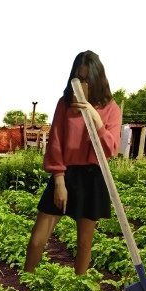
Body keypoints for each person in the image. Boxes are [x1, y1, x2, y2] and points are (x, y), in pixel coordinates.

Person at [23, 50, 122, 275]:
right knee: (37, 239)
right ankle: (25, 283)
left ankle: (78, 289)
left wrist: (96, 119)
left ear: (98, 78)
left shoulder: (111, 109)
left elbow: (111, 149)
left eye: (87, 79)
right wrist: (59, 180)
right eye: (78, 78)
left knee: (84, 244)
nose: (82, 84)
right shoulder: (64, 104)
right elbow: (56, 142)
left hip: (93, 177)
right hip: (65, 174)